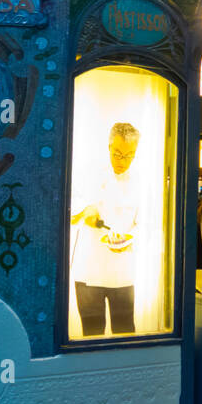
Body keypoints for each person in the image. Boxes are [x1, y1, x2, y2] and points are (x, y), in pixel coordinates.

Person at [70, 122, 141, 337]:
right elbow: (68, 210)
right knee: (92, 334)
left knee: (125, 331)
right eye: (118, 154)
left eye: (129, 156)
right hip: (89, 270)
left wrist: (129, 240)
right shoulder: (87, 173)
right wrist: (85, 213)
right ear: (109, 147)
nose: (123, 161)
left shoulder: (138, 181)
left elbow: (144, 223)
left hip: (122, 271)